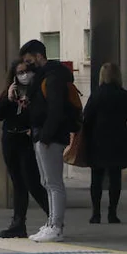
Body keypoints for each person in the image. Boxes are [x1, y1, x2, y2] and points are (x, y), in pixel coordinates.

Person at [20, 39, 77, 242]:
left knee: (53, 183)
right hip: (42, 134)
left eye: (29, 60)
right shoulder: (46, 76)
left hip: (49, 137)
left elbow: (55, 109)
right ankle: (52, 222)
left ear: (39, 56)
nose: (28, 65)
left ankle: (56, 226)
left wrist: (45, 136)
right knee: (47, 182)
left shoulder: (52, 77)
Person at [0, 60, 49, 238]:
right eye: (20, 72)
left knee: (32, 182)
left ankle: (54, 216)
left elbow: (42, 115)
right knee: (17, 182)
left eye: (27, 71)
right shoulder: (11, 92)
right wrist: (7, 99)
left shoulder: (38, 92)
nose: (24, 75)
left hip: (27, 140)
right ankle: (18, 223)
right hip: (10, 138)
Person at [84, 62, 127, 224]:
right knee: (115, 177)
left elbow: (87, 116)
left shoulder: (97, 94)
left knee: (96, 178)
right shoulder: (123, 95)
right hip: (118, 139)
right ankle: (112, 213)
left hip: (97, 139)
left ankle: (96, 213)